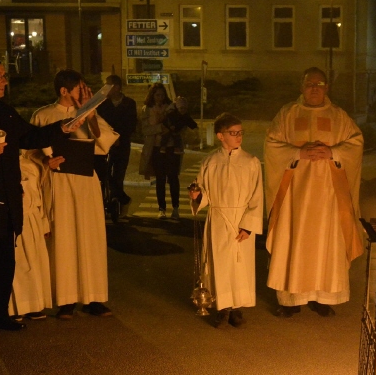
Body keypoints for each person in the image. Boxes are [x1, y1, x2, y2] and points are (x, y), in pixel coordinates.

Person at [0, 55, 77, 337]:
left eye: (4, 75)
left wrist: (63, 128)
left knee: (4, 260)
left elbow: (28, 137)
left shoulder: (5, 111)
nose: (4, 80)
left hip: (7, 196)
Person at [265, 67, 364, 318]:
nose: (314, 89)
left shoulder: (339, 117)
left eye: (319, 84)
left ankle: (322, 297)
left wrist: (334, 153)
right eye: (310, 84)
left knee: (326, 244)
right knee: (292, 240)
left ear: (327, 87)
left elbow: (355, 143)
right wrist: (298, 153)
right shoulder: (287, 114)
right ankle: (290, 299)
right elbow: (272, 145)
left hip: (329, 195)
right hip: (294, 194)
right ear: (302, 87)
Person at [31, 69, 112, 319]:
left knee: (91, 238)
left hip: (86, 181)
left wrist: (89, 112)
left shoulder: (89, 112)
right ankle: (66, 300)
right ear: (64, 90)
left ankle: (94, 297)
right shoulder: (44, 115)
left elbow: (104, 141)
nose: (84, 92)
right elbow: (29, 150)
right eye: (79, 88)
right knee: (64, 238)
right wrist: (46, 161)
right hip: (60, 180)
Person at [189, 113, 263, 328]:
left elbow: (257, 196)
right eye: (233, 133)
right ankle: (221, 306)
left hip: (241, 219)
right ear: (220, 136)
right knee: (218, 264)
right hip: (219, 219)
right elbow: (202, 191)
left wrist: (248, 226)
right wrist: (197, 195)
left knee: (239, 266)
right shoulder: (210, 161)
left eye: (240, 132)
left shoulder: (250, 162)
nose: (239, 136)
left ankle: (236, 308)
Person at [9, 150, 61, 321]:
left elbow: (41, 191)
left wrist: (44, 222)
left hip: (32, 217)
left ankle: (32, 304)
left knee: (34, 262)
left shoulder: (33, 159)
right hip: (13, 217)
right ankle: (15, 307)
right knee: (17, 264)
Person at [139, 83, 183, 219]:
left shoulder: (171, 108)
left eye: (162, 95)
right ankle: (161, 208)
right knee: (160, 179)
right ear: (152, 95)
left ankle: (175, 208)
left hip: (171, 147)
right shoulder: (147, 109)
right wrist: (160, 128)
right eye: (157, 95)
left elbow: (180, 124)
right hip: (156, 148)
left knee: (173, 178)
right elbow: (145, 130)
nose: (160, 98)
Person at [96, 74, 138, 216]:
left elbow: (131, 124)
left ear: (117, 87)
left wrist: (119, 137)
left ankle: (121, 206)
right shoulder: (102, 104)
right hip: (105, 144)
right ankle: (121, 199)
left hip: (122, 144)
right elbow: (99, 122)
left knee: (119, 175)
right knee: (105, 173)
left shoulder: (129, 103)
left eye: (108, 85)